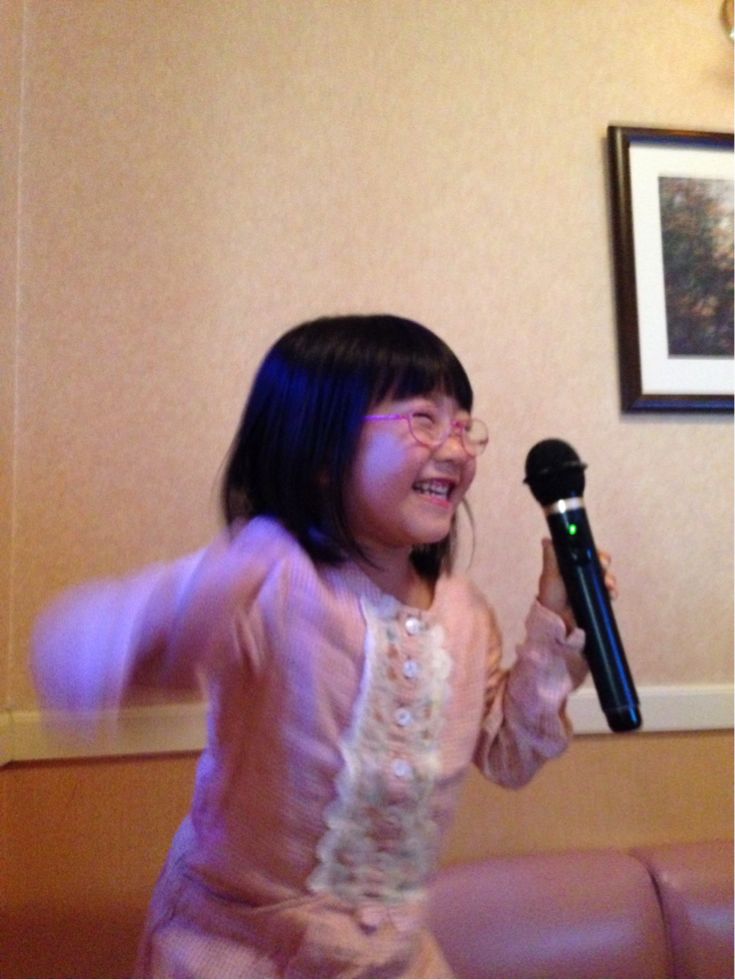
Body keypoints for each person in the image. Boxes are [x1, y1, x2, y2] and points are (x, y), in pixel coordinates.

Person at [32, 314, 615, 978]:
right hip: (234, 951)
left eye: (463, 425)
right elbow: (72, 648)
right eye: (423, 420)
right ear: (317, 452)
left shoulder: (464, 614)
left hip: (392, 960)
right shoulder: (273, 578)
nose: (455, 448)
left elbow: (510, 757)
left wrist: (555, 629)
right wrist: (189, 608)